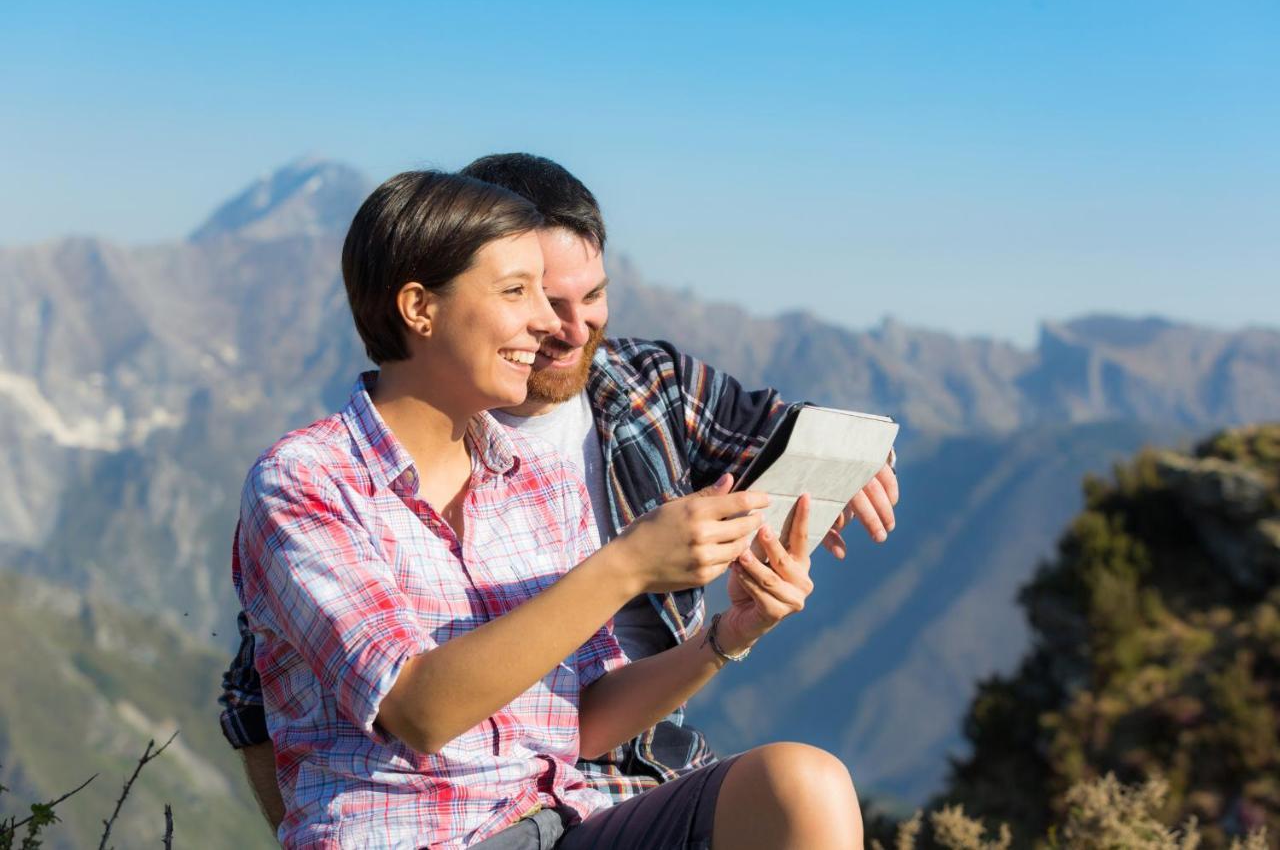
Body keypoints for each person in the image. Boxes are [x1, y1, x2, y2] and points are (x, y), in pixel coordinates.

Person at [221, 153, 899, 828]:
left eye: (583, 296)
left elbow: (581, 718)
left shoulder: (550, 465)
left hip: (563, 812)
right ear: (419, 308)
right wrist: (629, 561)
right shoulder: (306, 482)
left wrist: (728, 633)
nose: (553, 324)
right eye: (520, 292)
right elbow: (415, 711)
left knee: (803, 783)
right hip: (406, 830)